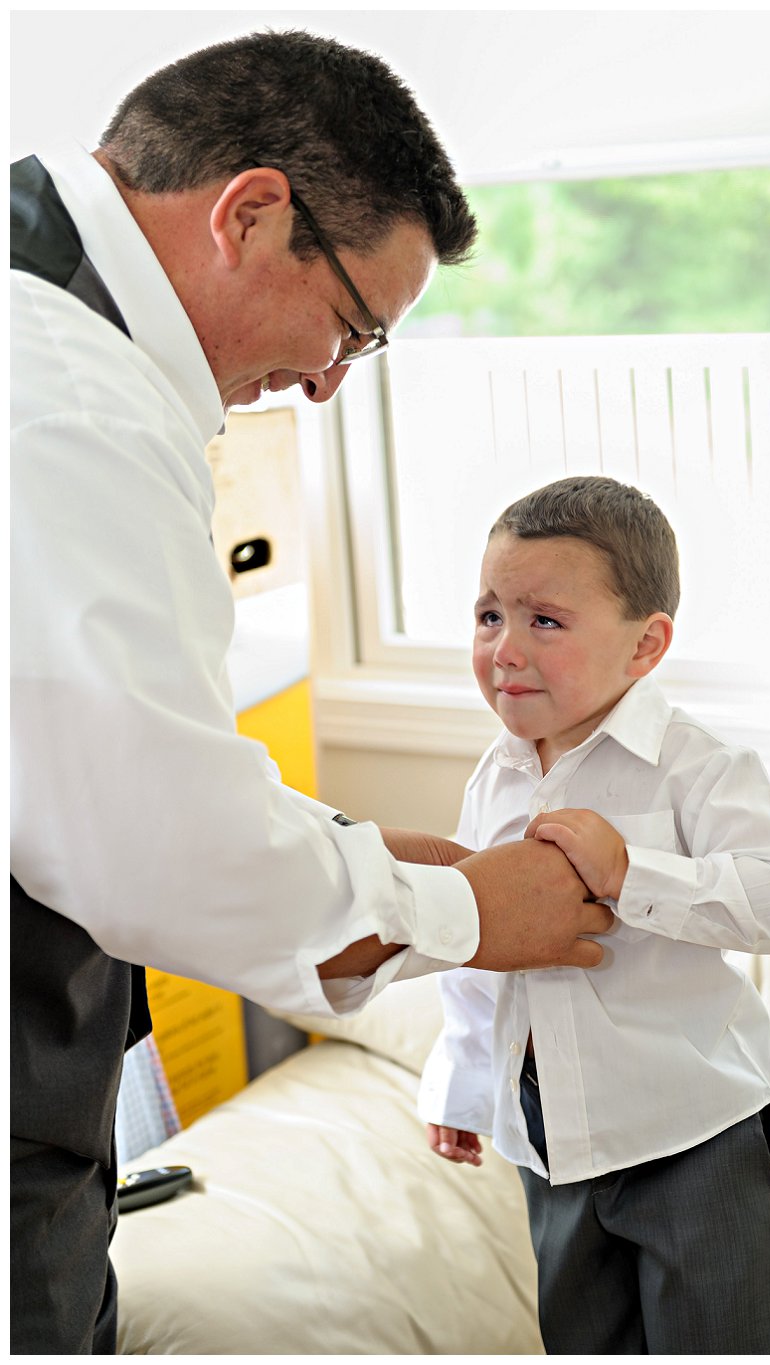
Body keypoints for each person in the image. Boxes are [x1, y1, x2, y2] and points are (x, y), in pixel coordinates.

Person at [11, 32, 615, 1354]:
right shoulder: (68, 405)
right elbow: (157, 847)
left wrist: (343, 854)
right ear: (252, 212)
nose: (332, 384)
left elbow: (89, 769)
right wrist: (462, 910)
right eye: (351, 329)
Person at [418, 475, 770, 1354]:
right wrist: (462, 1079)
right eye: (489, 616)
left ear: (646, 645)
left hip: (692, 1134)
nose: (505, 649)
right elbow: (474, 942)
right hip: (550, 1139)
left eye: (544, 621)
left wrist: (632, 871)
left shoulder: (696, 766)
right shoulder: (495, 777)